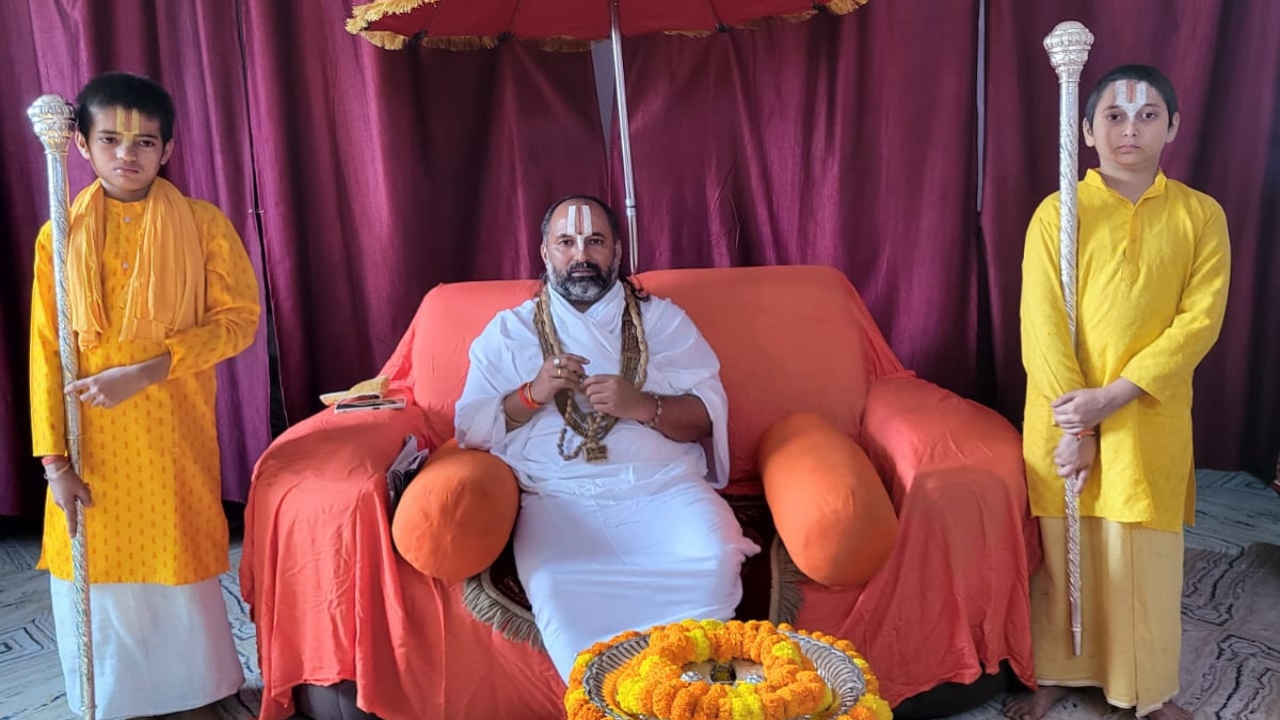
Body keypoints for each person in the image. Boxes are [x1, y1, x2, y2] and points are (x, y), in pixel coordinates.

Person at [29, 71, 260, 719]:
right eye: (110, 139)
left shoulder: (203, 225)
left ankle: (197, 689)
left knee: (175, 552)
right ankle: (112, 697)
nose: (127, 154)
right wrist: (54, 462)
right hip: (88, 442)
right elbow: (45, 351)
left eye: (145, 141)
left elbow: (238, 323)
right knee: (97, 563)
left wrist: (150, 371)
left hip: (170, 429)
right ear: (82, 144)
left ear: (169, 149)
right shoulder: (58, 233)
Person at [455, 195, 760, 680]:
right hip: (558, 498)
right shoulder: (510, 332)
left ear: (617, 250)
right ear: (545, 252)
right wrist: (532, 394)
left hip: (663, 489)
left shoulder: (663, 322)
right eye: (566, 242)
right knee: (555, 582)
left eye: (595, 241)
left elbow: (707, 415)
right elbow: (471, 427)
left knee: (714, 556)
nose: (581, 255)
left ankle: (694, 696)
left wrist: (642, 405)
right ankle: (611, 700)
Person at [1006, 65, 1230, 720]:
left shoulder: (1200, 215)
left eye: (1147, 115)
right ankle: (1053, 673)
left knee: (1142, 560)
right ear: (1086, 130)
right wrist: (1078, 424)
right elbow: (1042, 326)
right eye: (1114, 115)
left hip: (1147, 415)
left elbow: (1199, 323)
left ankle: (1146, 690)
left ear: (1173, 127)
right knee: (1063, 551)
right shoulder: (1058, 214)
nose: (1130, 129)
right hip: (1062, 414)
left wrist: (1114, 398)